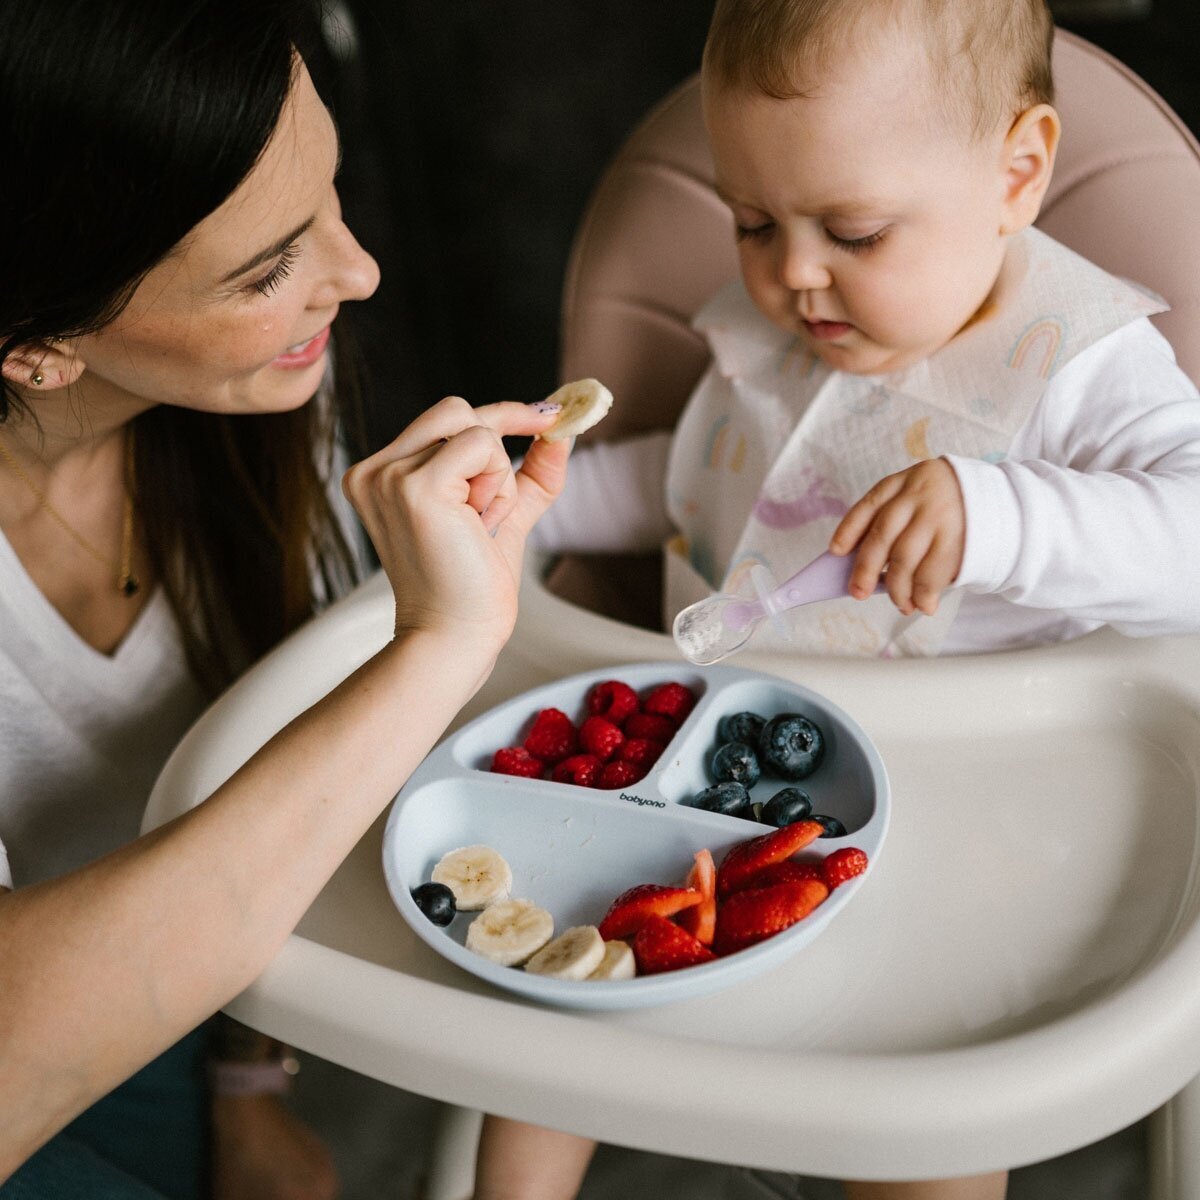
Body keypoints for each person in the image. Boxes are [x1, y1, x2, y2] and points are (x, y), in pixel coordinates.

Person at [496, 0, 1200, 1197]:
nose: (793, 273)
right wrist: (525, 511)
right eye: (752, 222)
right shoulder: (790, 329)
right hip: (724, 782)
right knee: (533, 1025)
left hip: (971, 838)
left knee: (925, 1125)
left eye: (856, 232)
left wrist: (1006, 515)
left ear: (1017, 174)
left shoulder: (1078, 363)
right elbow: (693, 482)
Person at [0, 1, 570, 1197]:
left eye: (330, 194)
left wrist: (246, 1081)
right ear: (35, 345)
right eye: (269, 268)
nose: (359, 275)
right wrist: (438, 643)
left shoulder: (248, 403)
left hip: (190, 1006)